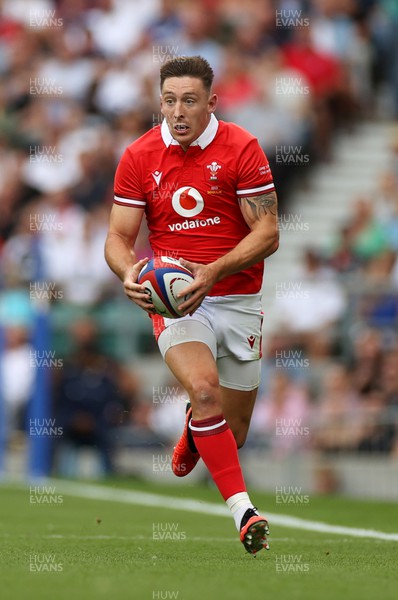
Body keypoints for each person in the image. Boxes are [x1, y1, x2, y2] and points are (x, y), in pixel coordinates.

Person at [105, 55, 279, 555]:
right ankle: (244, 513)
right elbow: (118, 237)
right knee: (204, 391)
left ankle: (193, 428)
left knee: (236, 429)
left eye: (189, 100)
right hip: (178, 299)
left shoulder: (242, 147)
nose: (177, 111)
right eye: (168, 100)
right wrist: (129, 272)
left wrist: (214, 272)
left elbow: (267, 232)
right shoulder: (139, 155)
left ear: (211, 102)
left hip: (236, 296)